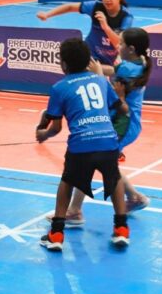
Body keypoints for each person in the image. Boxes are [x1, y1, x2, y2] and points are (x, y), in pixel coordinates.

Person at [47, 28, 153, 228]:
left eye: (120, 44)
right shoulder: (139, 62)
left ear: (131, 49)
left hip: (123, 122)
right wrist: (95, 70)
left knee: (92, 156)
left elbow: (111, 92)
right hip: (126, 121)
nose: (117, 46)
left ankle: (75, 211)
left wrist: (97, 75)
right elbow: (114, 72)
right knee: (105, 161)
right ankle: (134, 197)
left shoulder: (128, 69)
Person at [36, 38, 130, 251]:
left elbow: (55, 128)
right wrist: (119, 100)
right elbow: (122, 110)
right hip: (108, 141)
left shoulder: (59, 88)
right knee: (114, 178)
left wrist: (42, 134)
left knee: (67, 182)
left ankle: (57, 233)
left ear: (64, 64)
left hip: (81, 145)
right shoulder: (101, 81)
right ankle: (121, 229)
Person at [37, 0, 133, 67]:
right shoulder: (95, 6)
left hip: (109, 59)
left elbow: (118, 43)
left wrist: (105, 27)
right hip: (89, 54)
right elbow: (70, 7)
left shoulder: (126, 16)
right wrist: (47, 14)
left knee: (110, 73)